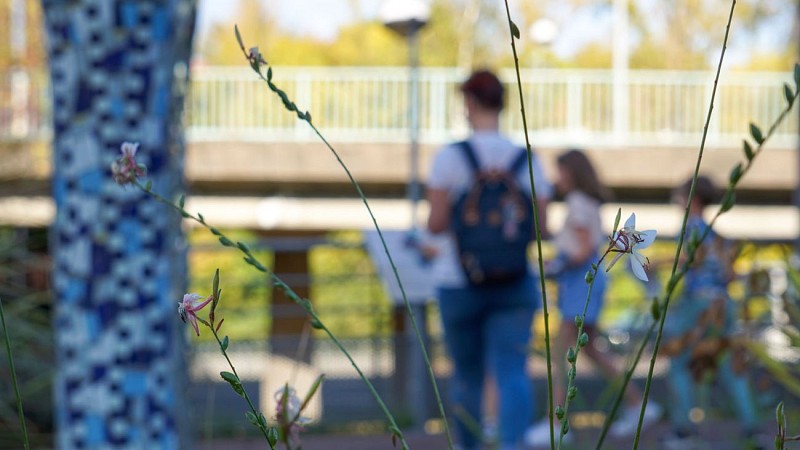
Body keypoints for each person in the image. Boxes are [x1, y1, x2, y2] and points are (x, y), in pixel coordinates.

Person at [426, 69, 552, 450]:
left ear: (469, 103)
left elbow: (435, 224)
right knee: (513, 370)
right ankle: (512, 445)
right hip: (515, 282)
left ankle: (470, 446)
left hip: (459, 281)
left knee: (468, 375)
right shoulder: (526, 158)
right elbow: (542, 227)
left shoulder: (450, 157)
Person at [525, 149, 661, 447]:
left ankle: (556, 424)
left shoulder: (577, 202)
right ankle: (638, 404)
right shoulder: (588, 202)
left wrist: (556, 266)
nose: (556, 177)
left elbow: (584, 249)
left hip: (580, 283)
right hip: (587, 280)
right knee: (591, 350)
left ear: (572, 172)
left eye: (560, 171)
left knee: (560, 354)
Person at [660, 176, 761, 449]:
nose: (676, 201)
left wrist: (655, 262)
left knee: (679, 363)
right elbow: (730, 275)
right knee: (729, 363)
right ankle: (752, 426)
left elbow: (690, 259)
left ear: (692, 199)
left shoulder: (692, 227)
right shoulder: (717, 234)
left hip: (698, 304)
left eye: (680, 196)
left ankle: (683, 431)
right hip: (723, 303)